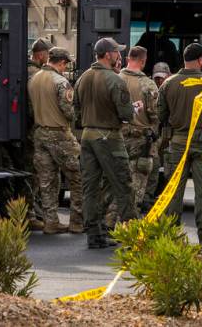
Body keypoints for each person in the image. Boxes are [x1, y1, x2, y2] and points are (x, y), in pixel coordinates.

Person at [159, 43, 202, 243]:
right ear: (201, 61)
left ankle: (171, 240)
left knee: (173, 192)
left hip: (178, 143)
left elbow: (161, 114)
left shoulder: (169, 83)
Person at [74, 38, 136, 249]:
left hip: (87, 136)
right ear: (108, 55)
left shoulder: (83, 78)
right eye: (117, 52)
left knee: (90, 188)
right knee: (124, 185)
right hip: (109, 137)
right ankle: (132, 236)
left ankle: (94, 234)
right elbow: (126, 113)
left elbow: (75, 110)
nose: (119, 56)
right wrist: (133, 109)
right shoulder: (115, 80)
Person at [29, 46, 84, 235]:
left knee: (47, 181)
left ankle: (51, 222)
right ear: (62, 63)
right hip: (60, 136)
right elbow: (69, 112)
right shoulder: (60, 82)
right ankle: (77, 222)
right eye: (65, 65)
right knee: (78, 178)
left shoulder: (34, 79)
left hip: (39, 134)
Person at [118, 46, 160, 215]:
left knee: (116, 181)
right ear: (143, 61)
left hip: (116, 138)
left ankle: (111, 222)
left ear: (128, 58)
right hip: (141, 142)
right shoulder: (148, 85)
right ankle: (129, 224)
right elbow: (156, 115)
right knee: (137, 185)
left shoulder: (115, 79)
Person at [22, 38, 52, 231]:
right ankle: (29, 214)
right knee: (32, 173)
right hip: (32, 130)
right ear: (41, 55)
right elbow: (35, 107)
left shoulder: (29, 70)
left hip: (26, 129)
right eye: (48, 56)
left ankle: (33, 211)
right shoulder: (34, 74)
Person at [142, 62, 172, 209]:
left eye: (162, 77)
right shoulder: (149, 89)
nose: (159, 81)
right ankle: (146, 198)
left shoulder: (172, 88)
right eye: (157, 78)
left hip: (167, 136)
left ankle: (164, 198)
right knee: (152, 166)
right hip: (153, 135)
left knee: (168, 169)